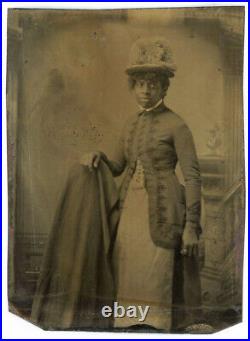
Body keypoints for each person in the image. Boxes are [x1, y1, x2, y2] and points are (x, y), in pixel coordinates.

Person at [81, 38, 203, 332]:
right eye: (139, 84)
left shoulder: (177, 125)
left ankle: (156, 328)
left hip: (165, 210)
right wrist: (99, 157)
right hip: (129, 211)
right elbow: (119, 167)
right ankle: (128, 326)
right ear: (133, 87)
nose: (145, 91)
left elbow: (192, 177)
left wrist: (190, 226)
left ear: (164, 87)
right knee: (129, 269)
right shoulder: (130, 124)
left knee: (156, 272)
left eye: (152, 84)